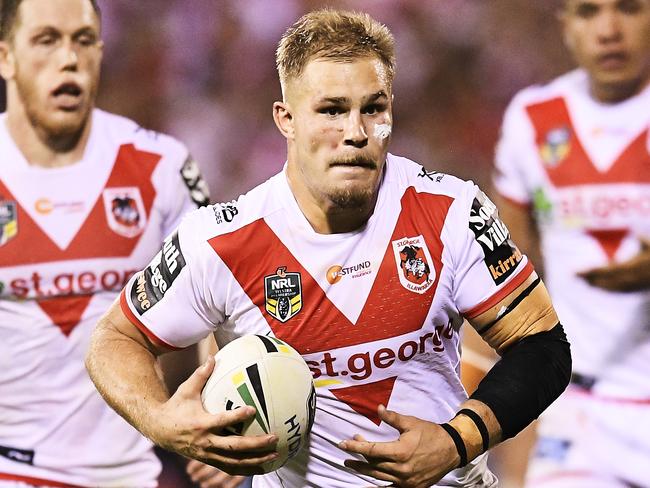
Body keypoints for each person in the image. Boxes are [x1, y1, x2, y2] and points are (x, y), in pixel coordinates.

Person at [85, 8, 571, 488]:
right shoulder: (220, 242)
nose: (356, 132)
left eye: (373, 109)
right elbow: (115, 340)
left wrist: (457, 441)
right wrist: (164, 424)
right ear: (286, 118)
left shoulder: (451, 211)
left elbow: (543, 345)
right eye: (332, 110)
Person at [0, 0, 221, 486]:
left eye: (83, 40)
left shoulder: (161, 165)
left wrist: (221, 401)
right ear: (6, 57)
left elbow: (217, 290)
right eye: (46, 40)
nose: (68, 58)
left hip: (131, 474)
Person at [492, 0, 650, 486]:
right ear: (565, 26)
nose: (608, 30)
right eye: (587, 12)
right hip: (583, 415)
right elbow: (509, 283)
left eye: (628, 8)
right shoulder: (532, 119)